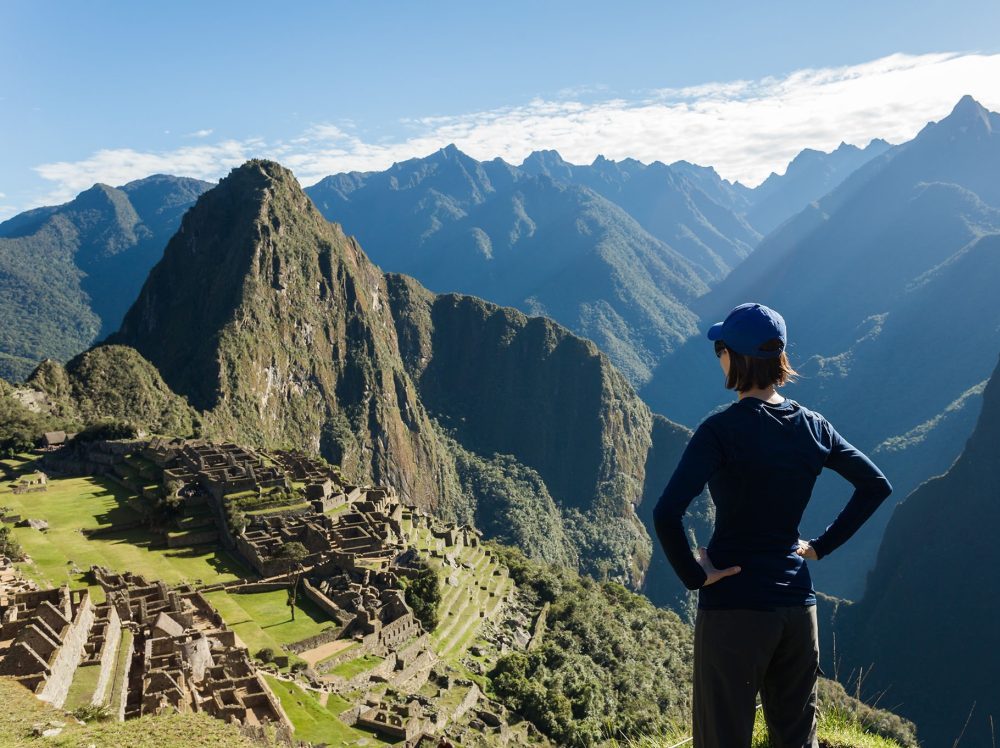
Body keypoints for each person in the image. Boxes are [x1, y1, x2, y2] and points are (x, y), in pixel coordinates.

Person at [652, 302, 892, 748]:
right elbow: (875, 485)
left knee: (722, 737)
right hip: (798, 609)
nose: (718, 355)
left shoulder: (720, 432)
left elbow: (667, 512)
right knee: (797, 738)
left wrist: (695, 575)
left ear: (734, 357)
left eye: (720, 347)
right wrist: (820, 547)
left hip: (734, 607)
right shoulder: (815, 427)